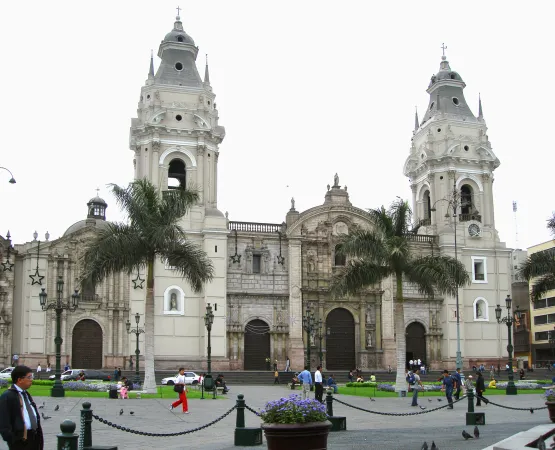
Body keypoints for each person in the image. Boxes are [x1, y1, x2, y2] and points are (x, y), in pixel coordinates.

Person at [0, 365, 44, 450]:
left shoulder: (25, 394)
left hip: (34, 437)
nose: (31, 380)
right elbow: (3, 422)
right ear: (19, 380)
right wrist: (12, 440)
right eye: (29, 377)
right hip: (19, 441)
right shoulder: (8, 396)